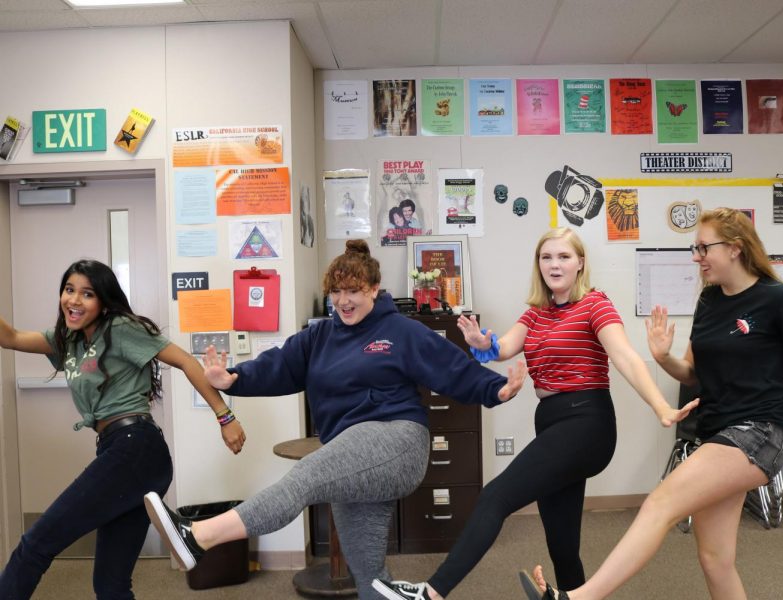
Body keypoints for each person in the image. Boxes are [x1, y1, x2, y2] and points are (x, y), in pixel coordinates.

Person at [522, 208, 783, 600]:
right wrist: (664, 357)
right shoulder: (709, 302)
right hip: (716, 433)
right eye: (694, 247)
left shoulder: (779, 299)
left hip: (760, 432)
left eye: (703, 247)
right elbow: (691, 374)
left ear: (735, 248)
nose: (696, 256)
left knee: (659, 503)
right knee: (715, 559)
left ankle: (577, 598)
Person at [144, 240, 525, 600]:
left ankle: (197, 537)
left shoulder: (400, 331)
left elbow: (450, 367)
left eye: (354, 291)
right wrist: (233, 379)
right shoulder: (319, 337)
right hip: (351, 455)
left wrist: (495, 390)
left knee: (305, 478)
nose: (344, 301)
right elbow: (279, 366)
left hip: (397, 443)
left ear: (374, 289)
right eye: (336, 292)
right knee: (370, 580)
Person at [374, 228, 692, 600]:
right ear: (538, 265)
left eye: (563, 257)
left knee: (495, 496)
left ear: (580, 264)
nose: (554, 264)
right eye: (547, 257)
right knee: (561, 543)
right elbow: (505, 346)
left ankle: (431, 593)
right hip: (554, 423)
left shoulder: (595, 304)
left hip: (586, 423)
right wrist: (483, 344)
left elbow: (625, 357)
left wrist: (661, 406)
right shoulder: (537, 314)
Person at [0, 259, 245, 599]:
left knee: (35, 544)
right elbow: (9, 337)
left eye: (87, 294)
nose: (74, 300)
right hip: (125, 453)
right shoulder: (67, 341)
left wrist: (225, 416)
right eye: (69, 290)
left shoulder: (119, 328)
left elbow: (186, 361)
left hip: (134, 448)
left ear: (103, 301)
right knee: (111, 584)